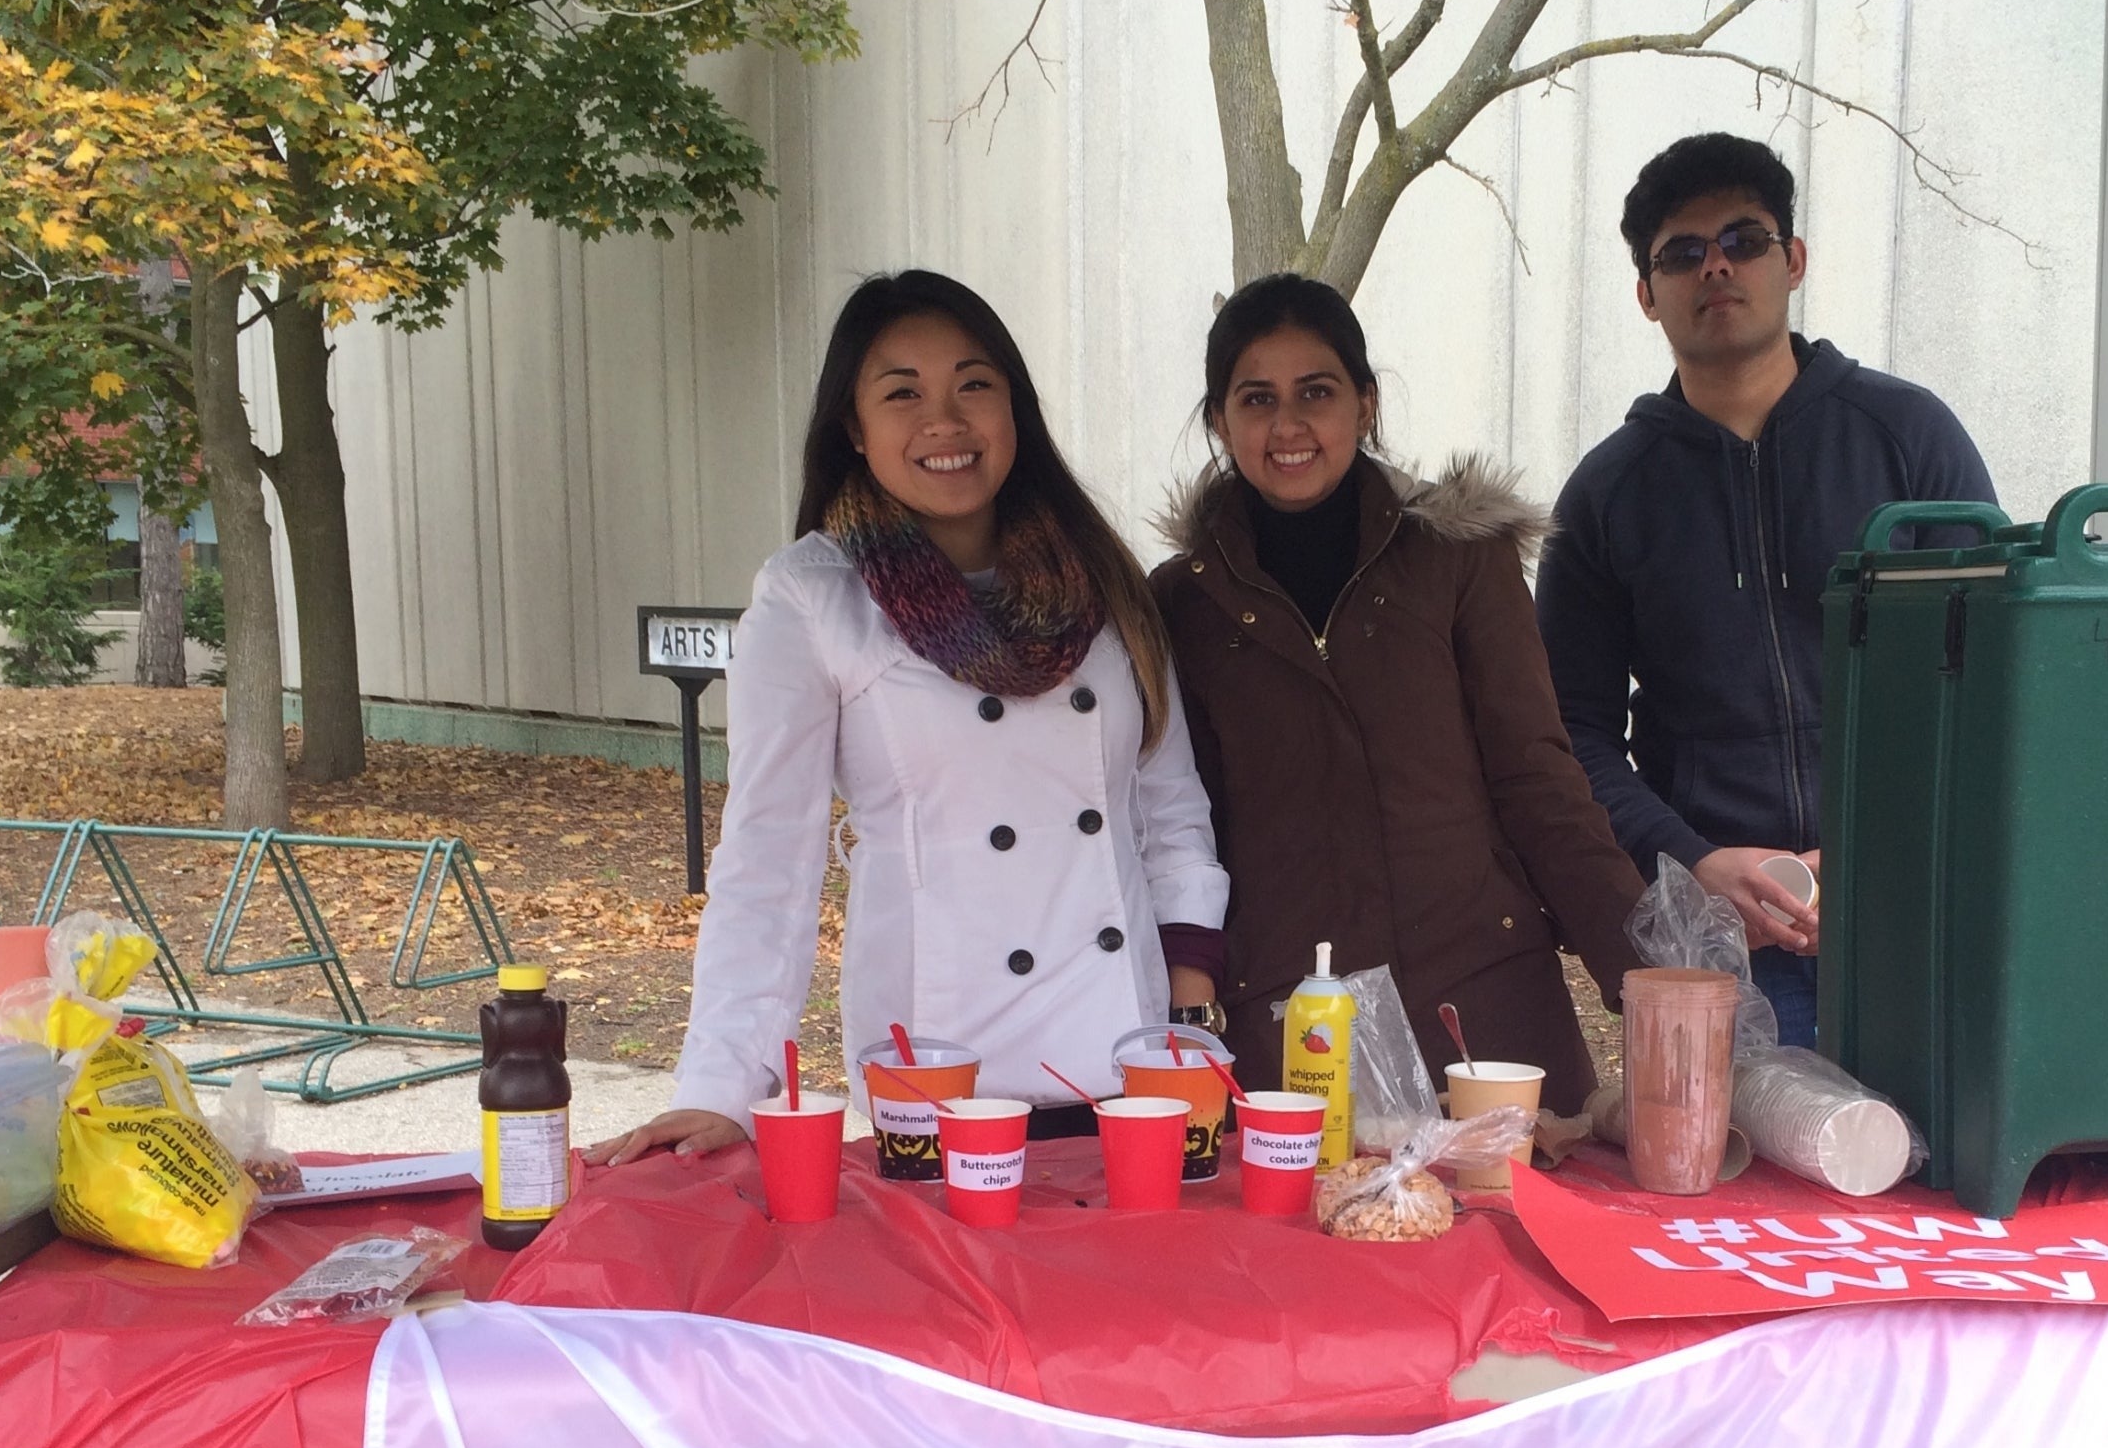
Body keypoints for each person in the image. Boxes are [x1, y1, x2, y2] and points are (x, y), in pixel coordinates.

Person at [590, 270, 1227, 1164]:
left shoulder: (1103, 577)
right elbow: (769, 860)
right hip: (941, 1073)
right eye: (902, 394)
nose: (946, 422)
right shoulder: (812, 598)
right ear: (853, 427)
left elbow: (1170, 809)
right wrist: (722, 1089)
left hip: (1126, 1061)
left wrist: (1188, 1019)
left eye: (974, 384)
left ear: (1015, 408)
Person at [1538, 132, 1999, 1051]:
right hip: (1722, 944)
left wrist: (1883, 847)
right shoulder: (1607, 495)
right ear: (1646, 293)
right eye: (1681, 253)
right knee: (1747, 1184)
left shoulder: (1908, 439)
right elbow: (1569, 734)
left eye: (1744, 240)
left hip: (1912, 915)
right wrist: (1696, 862)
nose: (1716, 266)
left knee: (1935, 1180)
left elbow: (1992, 677)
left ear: (1792, 262)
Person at [1152, 273, 1644, 1115]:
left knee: (1514, 1236)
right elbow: (1181, 827)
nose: (1289, 426)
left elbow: (1537, 779)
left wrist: (1641, 975)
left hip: (1483, 1009)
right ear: (1218, 421)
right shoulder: (1179, 604)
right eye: (1256, 399)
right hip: (1292, 1023)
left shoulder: (1457, 559)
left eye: (1318, 392)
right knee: (1311, 1243)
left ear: (1366, 402)